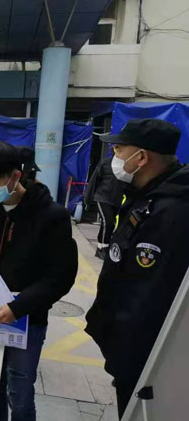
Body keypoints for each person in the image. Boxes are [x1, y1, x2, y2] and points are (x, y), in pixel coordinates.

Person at [0, 141, 78, 421]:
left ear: (16, 176)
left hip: (26, 320)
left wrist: (18, 307)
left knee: (20, 394)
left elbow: (61, 277)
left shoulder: (51, 216)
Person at [85, 118, 189, 418]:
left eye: (119, 150)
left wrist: (125, 350)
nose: (114, 156)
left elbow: (153, 292)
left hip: (145, 353)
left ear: (141, 157)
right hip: (125, 346)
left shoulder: (174, 211)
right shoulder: (146, 196)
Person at [84, 155, 124, 260]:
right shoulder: (105, 163)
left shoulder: (127, 165)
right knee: (108, 222)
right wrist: (88, 199)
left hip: (116, 200)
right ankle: (104, 248)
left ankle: (100, 247)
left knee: (109, 224)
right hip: (102, 197)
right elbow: (94, 181)